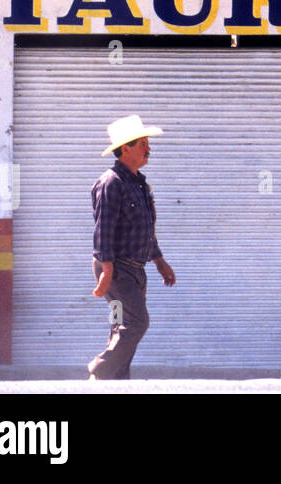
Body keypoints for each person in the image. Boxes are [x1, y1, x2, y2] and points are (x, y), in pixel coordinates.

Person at [88, 114, 176, 380]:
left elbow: (146, 227)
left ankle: (116, 383)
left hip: (134, 270)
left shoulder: (139, 184)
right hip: (116, 269)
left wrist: (160, 262)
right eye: (142, 144)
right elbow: (103, 228)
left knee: (120, 325)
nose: (148, 149)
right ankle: (100, 373)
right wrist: (107, 270)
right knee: (137, 322)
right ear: (125, 148)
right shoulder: (111, 182)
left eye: (148, 143)